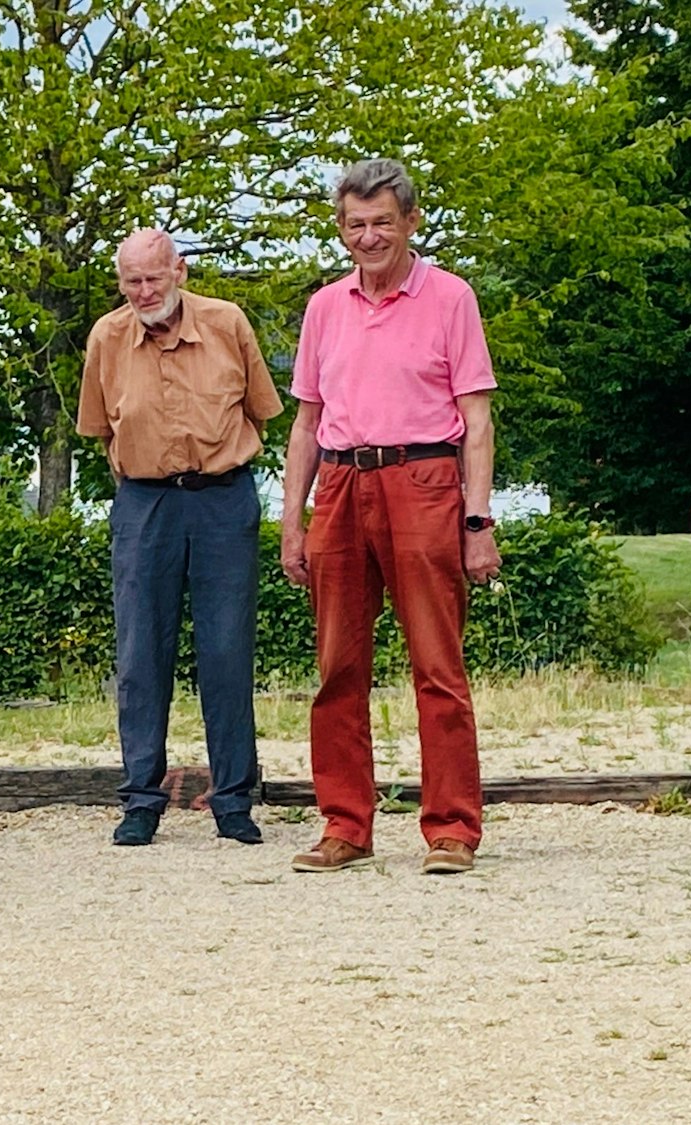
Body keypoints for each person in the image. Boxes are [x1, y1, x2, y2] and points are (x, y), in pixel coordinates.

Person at [279, 159, 500, 876]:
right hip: (341, 484)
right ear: (341, 230)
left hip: (423, 477)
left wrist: (477, 521)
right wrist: (292, 519)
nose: (369, 237)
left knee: (437, 663)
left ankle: (452, 829)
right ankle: (345, 823)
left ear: (410, 222)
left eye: (382, 222)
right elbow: (306, 423)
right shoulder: (324, 308)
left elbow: (476, 419)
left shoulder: (450, 298)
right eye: (355, 225)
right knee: (337, 666)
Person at [76, 229, 282, 846]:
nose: (144, 292)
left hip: (223, 497)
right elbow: (100, 427)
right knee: (140, 653)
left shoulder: (227, 323)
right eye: (131, 282)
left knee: (227, 649)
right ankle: (141, 799)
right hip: (145, 501)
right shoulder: (106, 337)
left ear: (179, 272)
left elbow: (260, 409)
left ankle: (234, 800)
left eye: (153, 279)